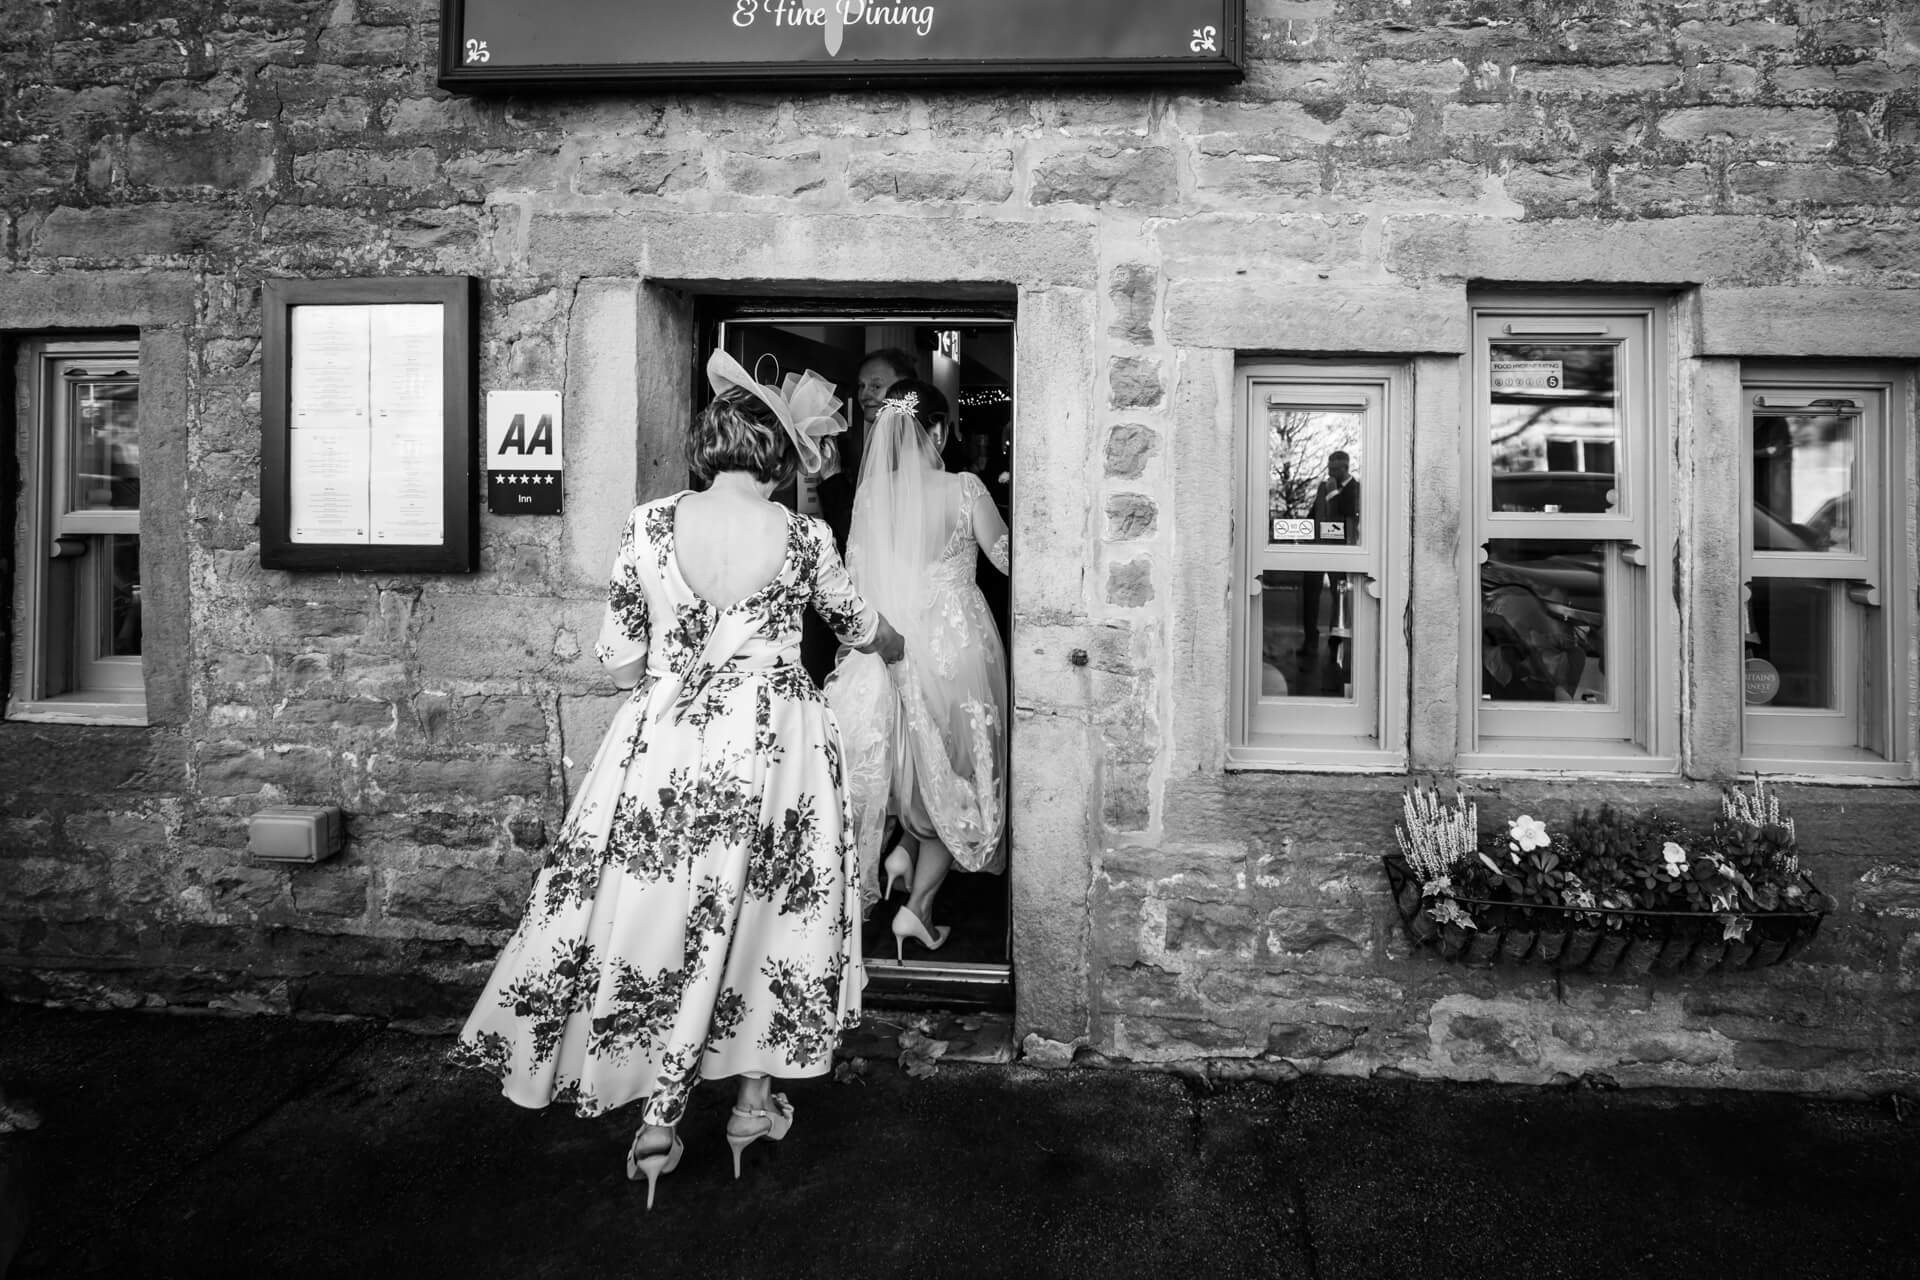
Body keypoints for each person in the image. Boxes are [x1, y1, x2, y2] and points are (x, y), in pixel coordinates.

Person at [452, 349, 905, 1209]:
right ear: (779, 456)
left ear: (708, 445)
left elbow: (622, 660)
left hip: (666, 746)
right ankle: (750, 1103)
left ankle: (657, 1126)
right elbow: (855, 622)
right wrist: (895, 646)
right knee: (768, 918)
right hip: (777, 750)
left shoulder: (647, 526)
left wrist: (679, 670)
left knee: (656, 910)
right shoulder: (805, 535)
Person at [824, 379, 1010, 962]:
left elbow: (853, 584)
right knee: (955, 774)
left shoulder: (872, 497)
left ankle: (902, 855)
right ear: (936, 430)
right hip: (958, 649)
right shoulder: (965, 487)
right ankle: (918, 908)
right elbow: (1010, 560)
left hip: (894, 644)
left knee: (915, 762)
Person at [1297, 449, 1360, 661]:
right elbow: (1314, 513)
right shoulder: (1324, 485)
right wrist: (1300, 532)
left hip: (1340, 552)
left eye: (1334, 469)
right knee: (1310, 595)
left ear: (1345, 468)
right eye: (1329, 467)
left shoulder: (1355, 488)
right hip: (1316, 548)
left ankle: (1336, 643)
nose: (1330, 472)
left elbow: (1348, 512)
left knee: (1339, 596)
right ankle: (1310, 641)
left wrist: (1334, 493)